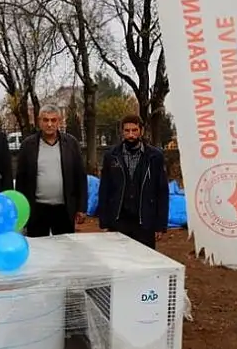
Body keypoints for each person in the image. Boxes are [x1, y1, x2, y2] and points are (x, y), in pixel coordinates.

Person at [98, 114, 169, 249]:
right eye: (127, 130)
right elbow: (104, 189)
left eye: (134, 130)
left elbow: (162, 191)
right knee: (119, 258)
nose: (131, 135)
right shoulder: (111, 156)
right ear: (122, 132)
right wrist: (104, 222)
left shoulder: (155, 157)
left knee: (144, 258)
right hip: (118, 220)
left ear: (141, 131)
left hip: (145, 221)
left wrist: (160, 225)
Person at [15, 105, 87, 236]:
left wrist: (81, 207)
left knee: (65, 246)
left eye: (53, 120)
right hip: (37, 208)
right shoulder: (28, 145)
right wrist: (21, 207)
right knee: (38, 246)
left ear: (59, 121)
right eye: (45, 120)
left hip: (64, 209)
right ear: (39, 121)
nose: (49, 124)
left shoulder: (71, 144)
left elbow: (80, 177)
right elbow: (21, 180)